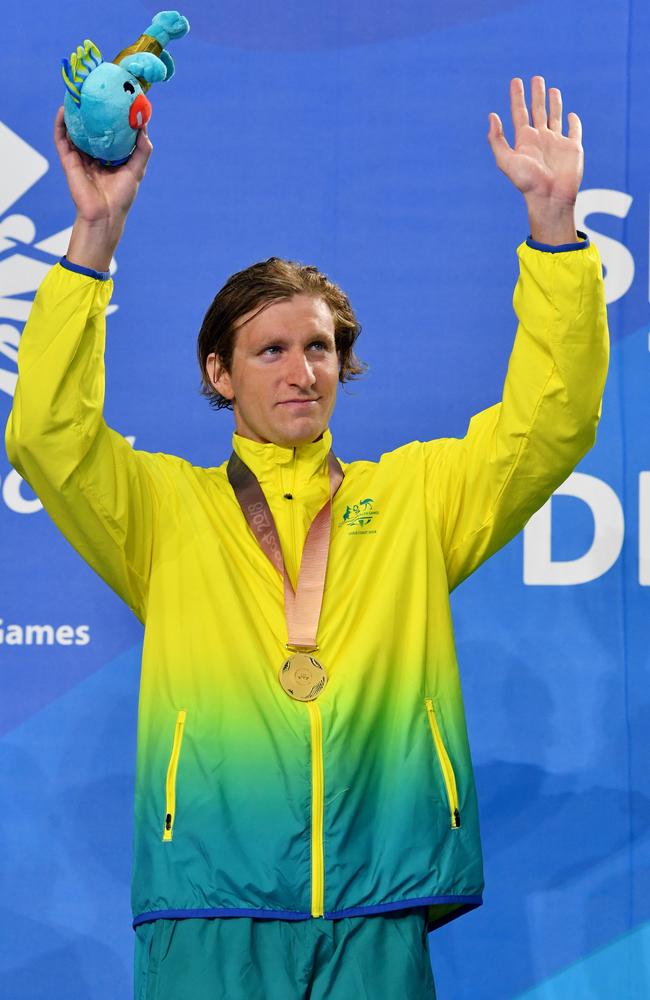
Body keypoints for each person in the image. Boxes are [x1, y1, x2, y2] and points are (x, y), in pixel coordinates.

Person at [5, 76, 609, 999]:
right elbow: (48, 436)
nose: (302, 371)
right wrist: (94, 238)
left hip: (375, 904)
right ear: (220, 371)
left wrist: (557, 236)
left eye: (320, 347)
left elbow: (551, 422)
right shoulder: (164, 511)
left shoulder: (414, 499)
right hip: (208, 906)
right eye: (271, 350)